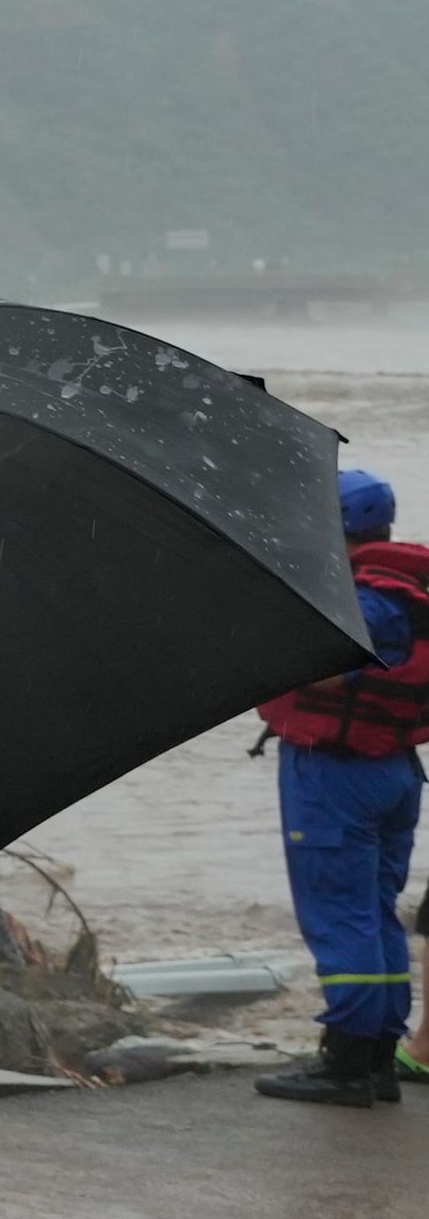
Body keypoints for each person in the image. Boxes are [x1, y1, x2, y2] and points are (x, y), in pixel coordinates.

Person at [253, 467, 429, 1107]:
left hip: (337, 772)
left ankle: (348, 1062)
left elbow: (327, 673)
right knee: (375, 913)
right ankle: (376, 1057)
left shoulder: (369, 598)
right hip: (393, 770)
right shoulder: (408, 586)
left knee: (339, 915)